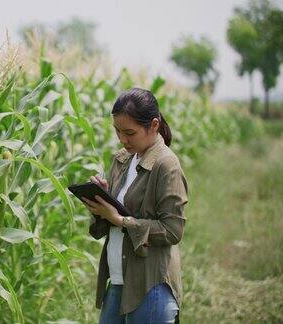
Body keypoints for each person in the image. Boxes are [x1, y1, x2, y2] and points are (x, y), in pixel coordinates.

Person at [81, 88, 188, 324]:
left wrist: (120, 220)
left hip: (150, 285)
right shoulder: (122, 159)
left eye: (130, 132)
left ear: (154, 125)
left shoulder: (166, 164)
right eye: (117, 131)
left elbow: (172, 230)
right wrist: (102, 199)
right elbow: (117, 211)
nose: (123, 139)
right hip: (118, 281)